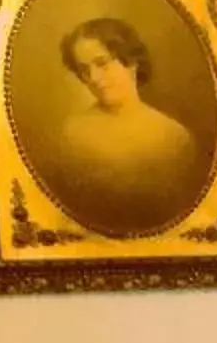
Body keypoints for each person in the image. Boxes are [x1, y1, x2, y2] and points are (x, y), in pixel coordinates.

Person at [48, 15, 204, 235]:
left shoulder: (173, 137)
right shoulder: (72, 134)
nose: (93, 77)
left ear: (131, 62)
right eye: (84, 69)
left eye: (102, 63)